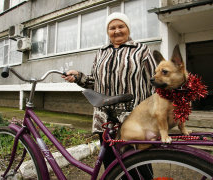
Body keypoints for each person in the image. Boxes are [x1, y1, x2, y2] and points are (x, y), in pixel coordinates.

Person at [62, 12, 156, 178]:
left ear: (128, 28)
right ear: (107, 31)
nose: (117, 31)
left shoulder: (142, 50)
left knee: (138, 166)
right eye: (112, 28)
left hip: (133, 119)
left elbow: (155, 82)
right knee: (111, 166)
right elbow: (94, 82)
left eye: (121, 26)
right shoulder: (101, 52)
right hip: (105, 120)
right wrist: (78, 76)